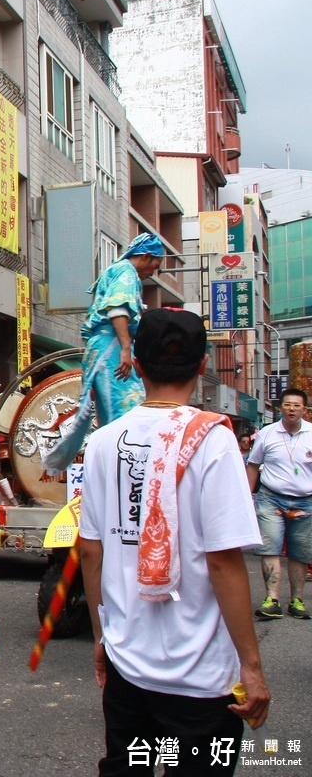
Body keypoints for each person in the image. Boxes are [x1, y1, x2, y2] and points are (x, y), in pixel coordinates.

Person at [79, 309, 269, 775]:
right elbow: (224, 562)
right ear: (203, 365)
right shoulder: (215, 441)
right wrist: (252, 666)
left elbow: (90, 550)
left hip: (127, 664)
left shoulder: (103, 442)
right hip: (200, 677)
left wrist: (102, 636)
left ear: (137, 365)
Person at [44, 233, 165, 474]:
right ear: (148, 256)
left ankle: (114, 468)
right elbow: (118, 310)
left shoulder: (118, 271)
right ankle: (125, 470)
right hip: (112, 347)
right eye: (156, 264)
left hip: (104, 347)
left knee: (110, 415)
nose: (154, 271)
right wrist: (125, 349)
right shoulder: (126, 273)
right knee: (126, 414)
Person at [245, 387, 312, 620]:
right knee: (270, 546)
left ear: (304, 409)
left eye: (297, 405)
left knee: (300, 551)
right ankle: (272, 599)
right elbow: (253, 464)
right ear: (280, 408)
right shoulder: (267, 433)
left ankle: (297, 600)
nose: (292, 409)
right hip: (270, 497)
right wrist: (246, 497)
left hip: (305, 501)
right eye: (288, 405)